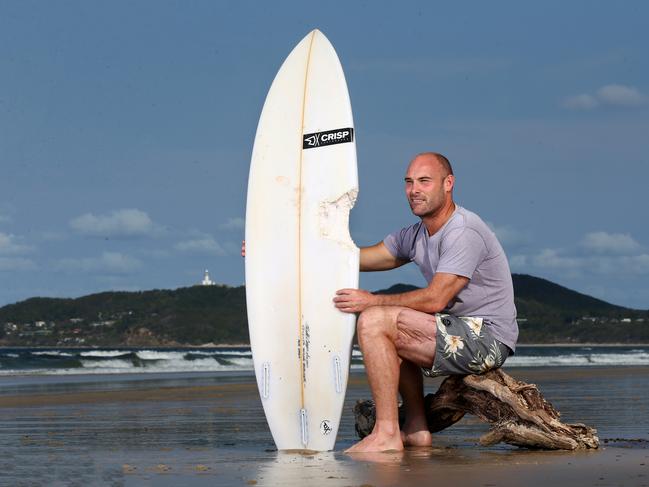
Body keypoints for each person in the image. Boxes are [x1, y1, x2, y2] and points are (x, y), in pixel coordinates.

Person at [333, 152, 517, 453]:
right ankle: (416, 429)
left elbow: (436, 298)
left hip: (487, 338)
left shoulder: (463, 230)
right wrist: (279, 251)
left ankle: (387, 433)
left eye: (424, 181)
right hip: (456, 331)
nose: (414, 190)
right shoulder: (416, 235)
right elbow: (354, 258)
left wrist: (372, 301)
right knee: (387, 327)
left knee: (375, 320)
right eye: (409, 182)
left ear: (448, 184)